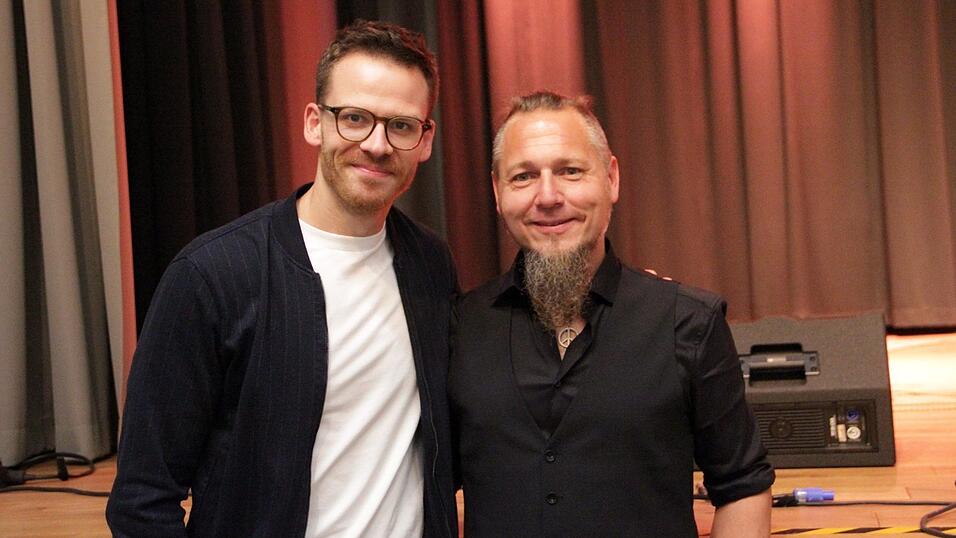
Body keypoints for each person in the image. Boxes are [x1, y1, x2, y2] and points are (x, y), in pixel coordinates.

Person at [107, 20, 458, 537]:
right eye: (354, 118)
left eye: (401, 126)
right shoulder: (212, 276)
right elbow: (142, 499)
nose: (377, 144)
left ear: (425, 140)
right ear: (315, 123)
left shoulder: (430, 264)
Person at [448, 91, 774, 537]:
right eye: (524, 176)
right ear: (497, 192)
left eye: (570, 171)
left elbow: (742, 486)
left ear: (611, 178)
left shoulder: (689, 323)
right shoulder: (460, 327)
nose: (548, 196)